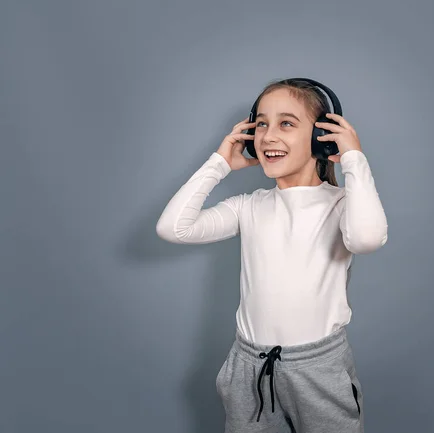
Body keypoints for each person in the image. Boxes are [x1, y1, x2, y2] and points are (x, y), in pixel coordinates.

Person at [156, 78, 388, 432]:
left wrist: (354, 159)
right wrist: (218, 163)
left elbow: (367, 238)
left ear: (319, 138)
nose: (267, 135)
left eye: (286, 123)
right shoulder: (248, 207)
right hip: (249, 365)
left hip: (317, 369)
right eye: (261, 123)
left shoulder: (342, 205)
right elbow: (174, 228)